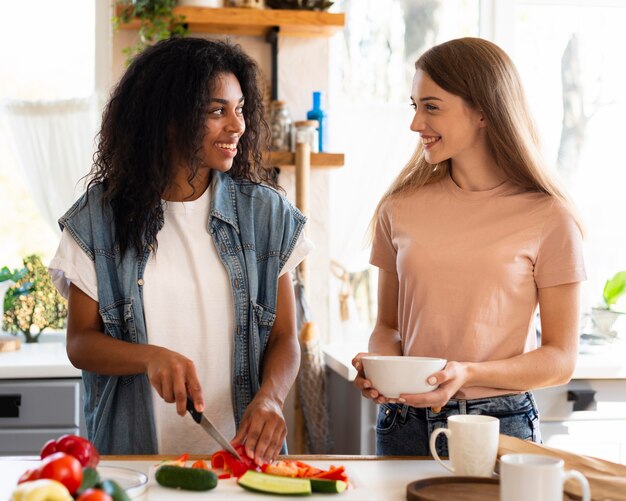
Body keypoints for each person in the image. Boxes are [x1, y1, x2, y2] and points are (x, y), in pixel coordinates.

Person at [49, 37, 311, 463]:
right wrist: (149, 357)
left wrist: (272, 398)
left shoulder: (268, 214)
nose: (237, 126)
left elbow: (285, 337)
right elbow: (80, 342)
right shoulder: (99, 218)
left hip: (242, 464)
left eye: (240, 108)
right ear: (169, 120)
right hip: (135, 463)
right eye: (217, 110)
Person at [352, 37, 586, 456]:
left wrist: (469, 373)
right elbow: (387, 327)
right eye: (414, 106)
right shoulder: (398, 208)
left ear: (482, 110)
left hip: (497, 427)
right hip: (403, 424)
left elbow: (561, 359)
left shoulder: (550, 217)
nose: (415, 123)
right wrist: (381, 369)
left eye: (432, 106)